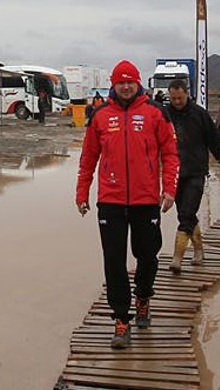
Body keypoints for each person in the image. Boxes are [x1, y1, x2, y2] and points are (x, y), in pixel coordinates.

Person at [75, 60, 179, 350]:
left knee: (147, 255)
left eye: (129, 82)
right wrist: (82, 193)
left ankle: (143, 297)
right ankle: (121, 319)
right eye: (120, 82)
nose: (125, 86)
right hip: (110, 200)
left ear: (137, 82)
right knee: (114, 261)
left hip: (146, 200)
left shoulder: (155, 112)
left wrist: (169, 189)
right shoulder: (99, 115)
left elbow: (171, 154)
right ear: (113, 84)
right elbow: (88, 158)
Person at [162, 79, 220, 273]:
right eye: (173, 99)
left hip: (196, 171)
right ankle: (199, 250)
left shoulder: (199, 114)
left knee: (186, 214)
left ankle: (177, 258)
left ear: (187, 94)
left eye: (180, 98)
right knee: (185, 214)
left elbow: (214, 140)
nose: (177, 102)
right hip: (175, 173)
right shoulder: (164, 115)